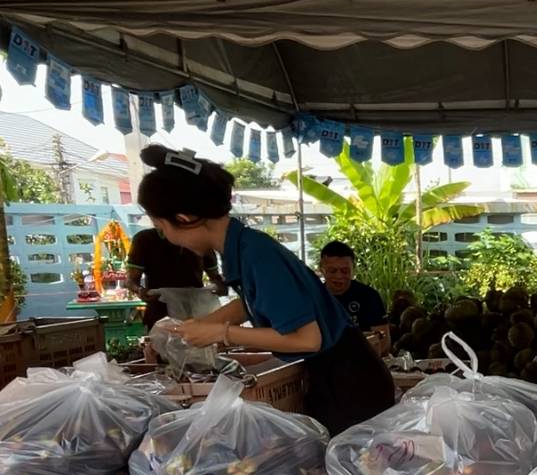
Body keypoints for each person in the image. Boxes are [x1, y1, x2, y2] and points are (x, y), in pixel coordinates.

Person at [134, 145, 395, 435]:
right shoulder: (244, 247)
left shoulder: (256, 255)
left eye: (162, 228)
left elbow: (308, 339)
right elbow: (253, 302)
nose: (167, 238)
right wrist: (196, 327)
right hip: (339, 375)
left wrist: (222, 333)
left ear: (183, 218)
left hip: (350, 383)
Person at [125, 226, 225, 327]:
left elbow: (215, 276)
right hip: (160, 312)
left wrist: (220, 285)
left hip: (194, 312)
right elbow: (130, 280)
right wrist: (139, 289)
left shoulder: (200, 239)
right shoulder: (145, 239)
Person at [317, 241, 390, 356]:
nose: (339, 276)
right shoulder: (314, 298)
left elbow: (384, 341)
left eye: (345, 271)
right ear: (322, 269)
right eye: (333, 271)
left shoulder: (369, 296)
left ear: (353, 269)